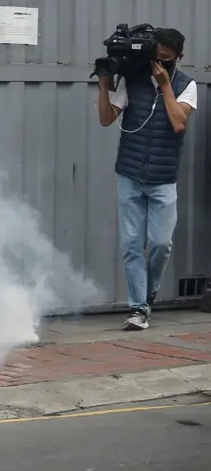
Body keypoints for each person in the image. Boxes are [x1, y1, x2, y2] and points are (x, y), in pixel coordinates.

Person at [96, 28, 196, 331]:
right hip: (130, 175)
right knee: (131, 245)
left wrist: (165, 85)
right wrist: (104, 85)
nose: (160, 64)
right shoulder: (135, 79)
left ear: (179, 58)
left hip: (163, 179)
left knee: (161, 244)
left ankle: (148, 291)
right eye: (157, 57)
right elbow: (105, 119)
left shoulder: (186, 85)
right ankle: (139, 308)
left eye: (167, 60)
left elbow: (179, 123)